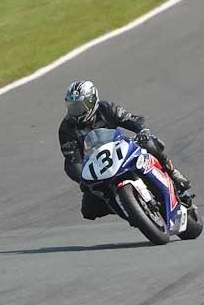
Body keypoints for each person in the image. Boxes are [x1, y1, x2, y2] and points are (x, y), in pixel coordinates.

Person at [59, 80, 192, 220]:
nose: (76, 111)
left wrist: (142, 131)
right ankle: (126, 207)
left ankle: (173, 173)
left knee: (149, 142)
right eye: (72, 106)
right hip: (98, 167)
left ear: (92, 101)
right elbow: (72, 159)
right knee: (88, 210)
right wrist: (82, 179)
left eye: (80, 106)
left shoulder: (106, 108)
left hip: (120, 150)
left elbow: (131, 119)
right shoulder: (66, 128)